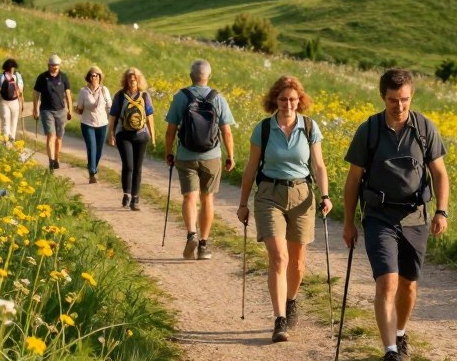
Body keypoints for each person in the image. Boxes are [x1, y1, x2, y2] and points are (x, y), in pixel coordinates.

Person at [342, 68, 449, 361]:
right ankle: (390, 351)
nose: (399, 106)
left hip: (415, 218)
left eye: (404, 100)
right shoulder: (370, 130)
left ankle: (400, 334)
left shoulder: (425, 129)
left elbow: (440, 174)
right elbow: (353, 180)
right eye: (392, 100)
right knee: (386, 283)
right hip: (379, 217)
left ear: (411, 96)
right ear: (382, 97)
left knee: (408, 285)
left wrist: (441, 211)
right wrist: (348, 222)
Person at [237, 76, 333, 343]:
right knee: (279, 258)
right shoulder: (264, 129)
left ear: (299, 101)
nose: (288, 104)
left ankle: (291, 301)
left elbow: (319, 166)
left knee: (298, 262)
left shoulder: (310, 127)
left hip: (302, 195)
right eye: (282, 99)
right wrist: (243, 203)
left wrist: (325, 195)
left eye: (292, 99)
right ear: (274, 101)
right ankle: (279, 319)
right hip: (269, 195)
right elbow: (250, 168)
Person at [164, 59, 235, 260]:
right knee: (207, 199)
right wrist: (230, 155)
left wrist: (169, 152)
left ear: (191, 76)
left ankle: (191, 234)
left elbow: (170, 131)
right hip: (211, 156)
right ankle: (203, 245)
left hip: (186, 155)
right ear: (208, 77)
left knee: (189, 197)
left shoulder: (181, 97)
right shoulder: (217, 98)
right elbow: (227, 132)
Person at [108, 67, 155, 211]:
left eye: (134, 79)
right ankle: (126, 194)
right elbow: (113, 116)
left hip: (141, 135)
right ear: (126, 80)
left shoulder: (145, 96)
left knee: (138, 168)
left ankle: (136, 198)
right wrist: (111, 133)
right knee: (128, 166)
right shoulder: (120, 96)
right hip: (124, 134)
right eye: (129, 78)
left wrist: (153, 136)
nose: (132, 81)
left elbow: (149, 117)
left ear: (139, 80)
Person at [32, 53, 73, 171]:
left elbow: (68, 94)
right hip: (46, 110)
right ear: (48, 65)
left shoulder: (63, 77)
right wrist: (35, 109)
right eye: (53, 65)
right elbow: (36, 94)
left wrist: (69, 109)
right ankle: (51, 161)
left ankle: (56, 158)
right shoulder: (42, 77)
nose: (55, 67)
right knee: (51, 135)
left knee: (59, 138)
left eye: (57, 65)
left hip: (61, 111)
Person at [74, 66, 112, 184]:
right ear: (89, 78)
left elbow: (110, 106)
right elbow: (79, 108)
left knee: (99, 150)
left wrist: (114, 119)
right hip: (87, 123)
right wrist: (77, 110)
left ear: (100, 77)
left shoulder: (104, 90)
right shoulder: (84, 91)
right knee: (92, 147)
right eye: (92, 75)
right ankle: (92, 172)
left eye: (97, 75)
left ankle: (93, 167)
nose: (94, 77)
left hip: (102, 124)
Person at [0, 57, 24, 141]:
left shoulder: (1, 76)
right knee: (14, 121)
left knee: (5, 120)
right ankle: (12, 138)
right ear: (13, 67)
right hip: (15, 102)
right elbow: (21, 90)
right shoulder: (18, 76)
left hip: (3, 101)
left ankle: (5, 139)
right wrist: (22, 103)